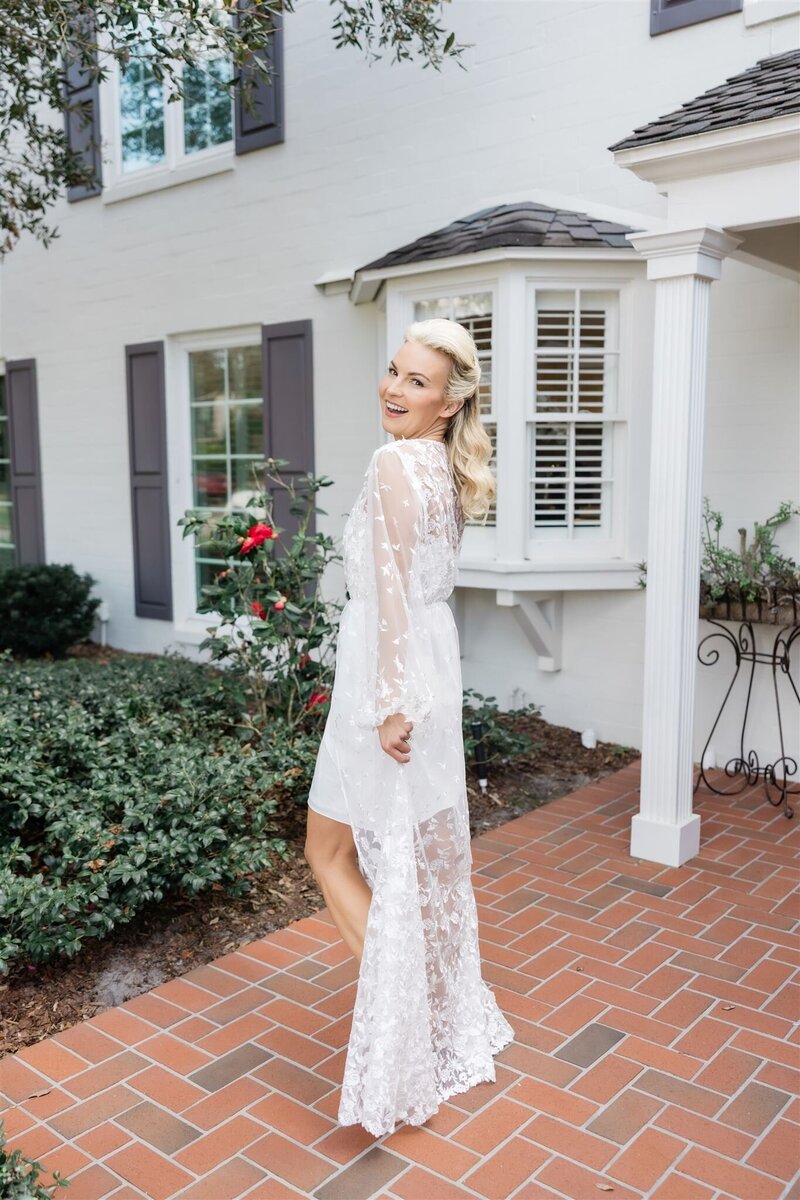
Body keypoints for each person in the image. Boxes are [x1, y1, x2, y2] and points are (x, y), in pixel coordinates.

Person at [304, 317, 514, 1138]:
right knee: (392, 853)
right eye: (393, 371)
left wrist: (393, 703)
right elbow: (422, 594)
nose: (393, 389)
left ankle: (407, 1032)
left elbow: (391, 593)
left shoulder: (398, 462)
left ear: (449, 401)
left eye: (416, 382)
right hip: (428, 667)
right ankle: (425, 1017)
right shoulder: (443, 469)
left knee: (329, 850)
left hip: (388, 680)